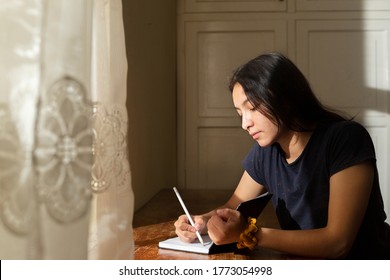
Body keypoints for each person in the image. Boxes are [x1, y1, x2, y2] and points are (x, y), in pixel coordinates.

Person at [174, 52, 390, 259]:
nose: (244, 123)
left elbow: (338, 243)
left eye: (252, 108)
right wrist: (201, 222)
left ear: (285, 99)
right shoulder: (265, 152)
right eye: (239, 113)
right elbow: (233, 207)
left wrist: (250, 234)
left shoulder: (345, 139)